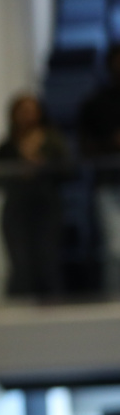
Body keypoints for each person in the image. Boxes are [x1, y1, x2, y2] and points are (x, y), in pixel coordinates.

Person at [0, 93, 68, 298]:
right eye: (22, 111)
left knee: (47, 260)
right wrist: (19, 167)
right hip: (17, 209)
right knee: (21, 263)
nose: (27, 116)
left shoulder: (52, 141)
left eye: (31, 110)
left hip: (45, 207)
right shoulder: (6, 146)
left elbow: (68, 171)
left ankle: (53, 304)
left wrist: (43, 165)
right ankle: (20, 306)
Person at [78, 44, 120, 294]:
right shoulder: (95, 103)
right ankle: (115, 300)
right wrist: (111, 143)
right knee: (115, 248)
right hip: (109, 184)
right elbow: (85, 148)